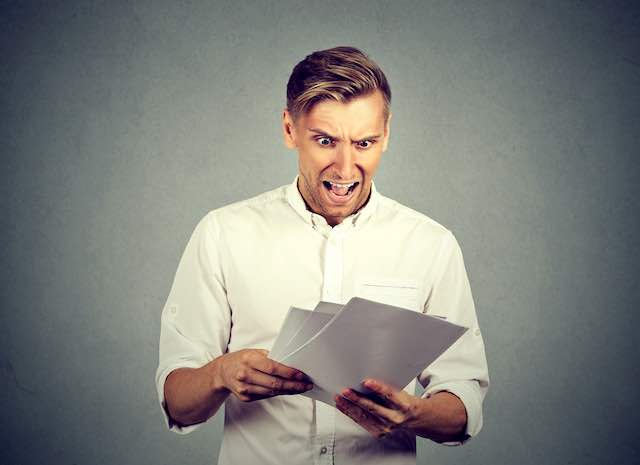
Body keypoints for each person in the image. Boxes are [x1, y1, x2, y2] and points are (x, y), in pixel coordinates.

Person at [155, 45, 489, 465]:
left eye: (364, 142)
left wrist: (414, 414)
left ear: (386, 135)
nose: (346, 167)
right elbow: (177, 402)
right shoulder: (223, 234)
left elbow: (464, 400)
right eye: (325, 141)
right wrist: (221, 373)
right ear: (290, 130)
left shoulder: (431, 244)